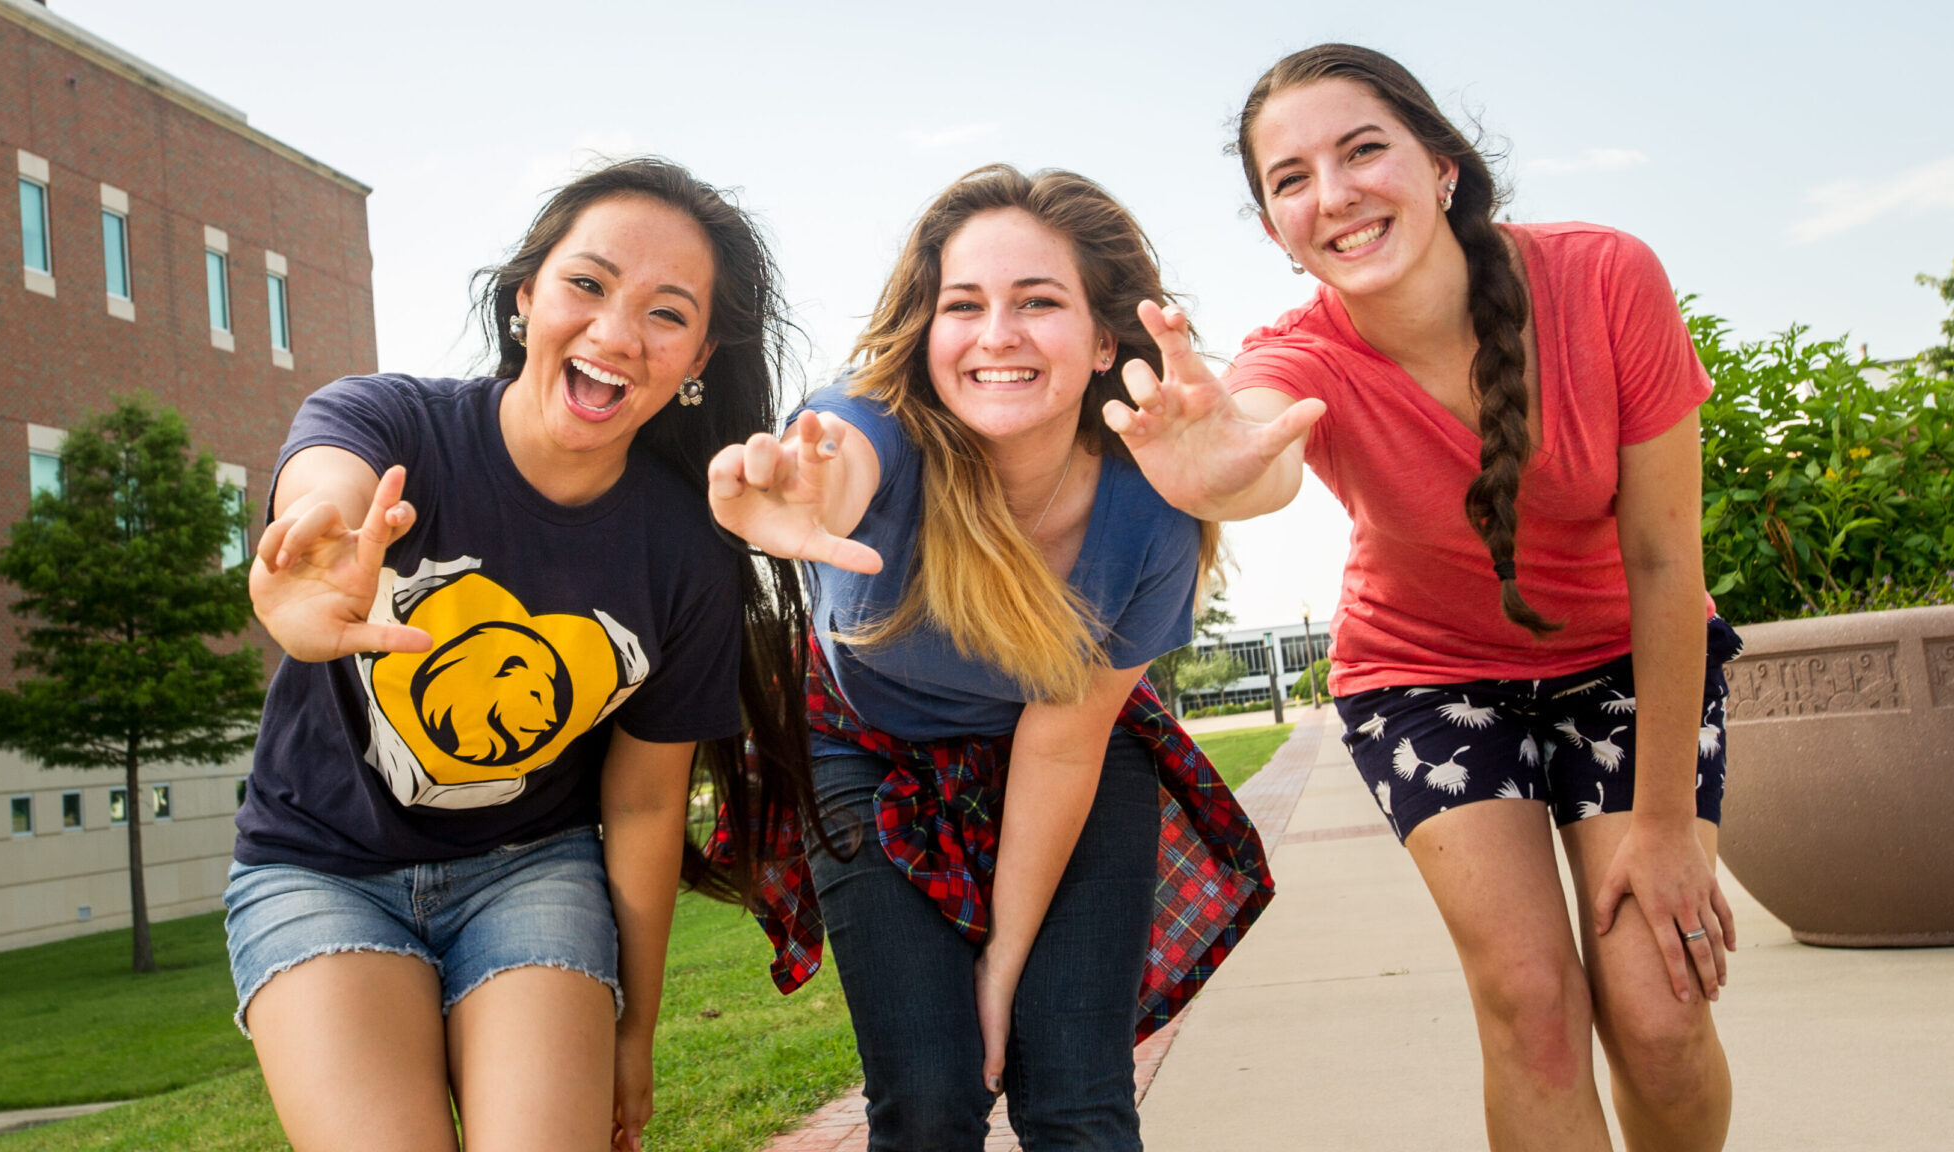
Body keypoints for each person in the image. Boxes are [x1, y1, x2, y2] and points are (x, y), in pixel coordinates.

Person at [1104, 44, 1743, 1152]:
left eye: (1362, 151)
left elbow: (1663, 563)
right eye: (1290, 179)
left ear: (1441, 164)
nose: (1333, 194)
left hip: (1623, 661)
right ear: (1273, 230)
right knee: (1533, 1009)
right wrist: (1214, 459)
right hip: (1427, 680)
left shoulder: (1603, 279)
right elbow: (1258, 441)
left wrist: (1666, 825)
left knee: (1660, 1012)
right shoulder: (1297, 354)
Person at [226, 158, 809, 1152]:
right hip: (317, 870)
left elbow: (640, 802)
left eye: (666, 313)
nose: (617, 332)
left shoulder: (684, 553)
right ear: (524, 296)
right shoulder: (392, 422)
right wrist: (316, 539)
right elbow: (328, 481)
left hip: (529, 874)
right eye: (586, 284)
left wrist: (634, 1028)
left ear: (699, 355)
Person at [709, 164, 1270, 1152]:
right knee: (929, 1103)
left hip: (1065, 761)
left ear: (1103, 339)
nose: (996, 333)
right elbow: (834, 463)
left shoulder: (1148, 511)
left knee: (1073, 1096)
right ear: (926, 332)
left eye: (1038, 302)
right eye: (962, 304)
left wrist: (1004, 965)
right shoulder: (869, 426)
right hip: (866, 753)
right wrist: (796, 494)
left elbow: (1063, 746)